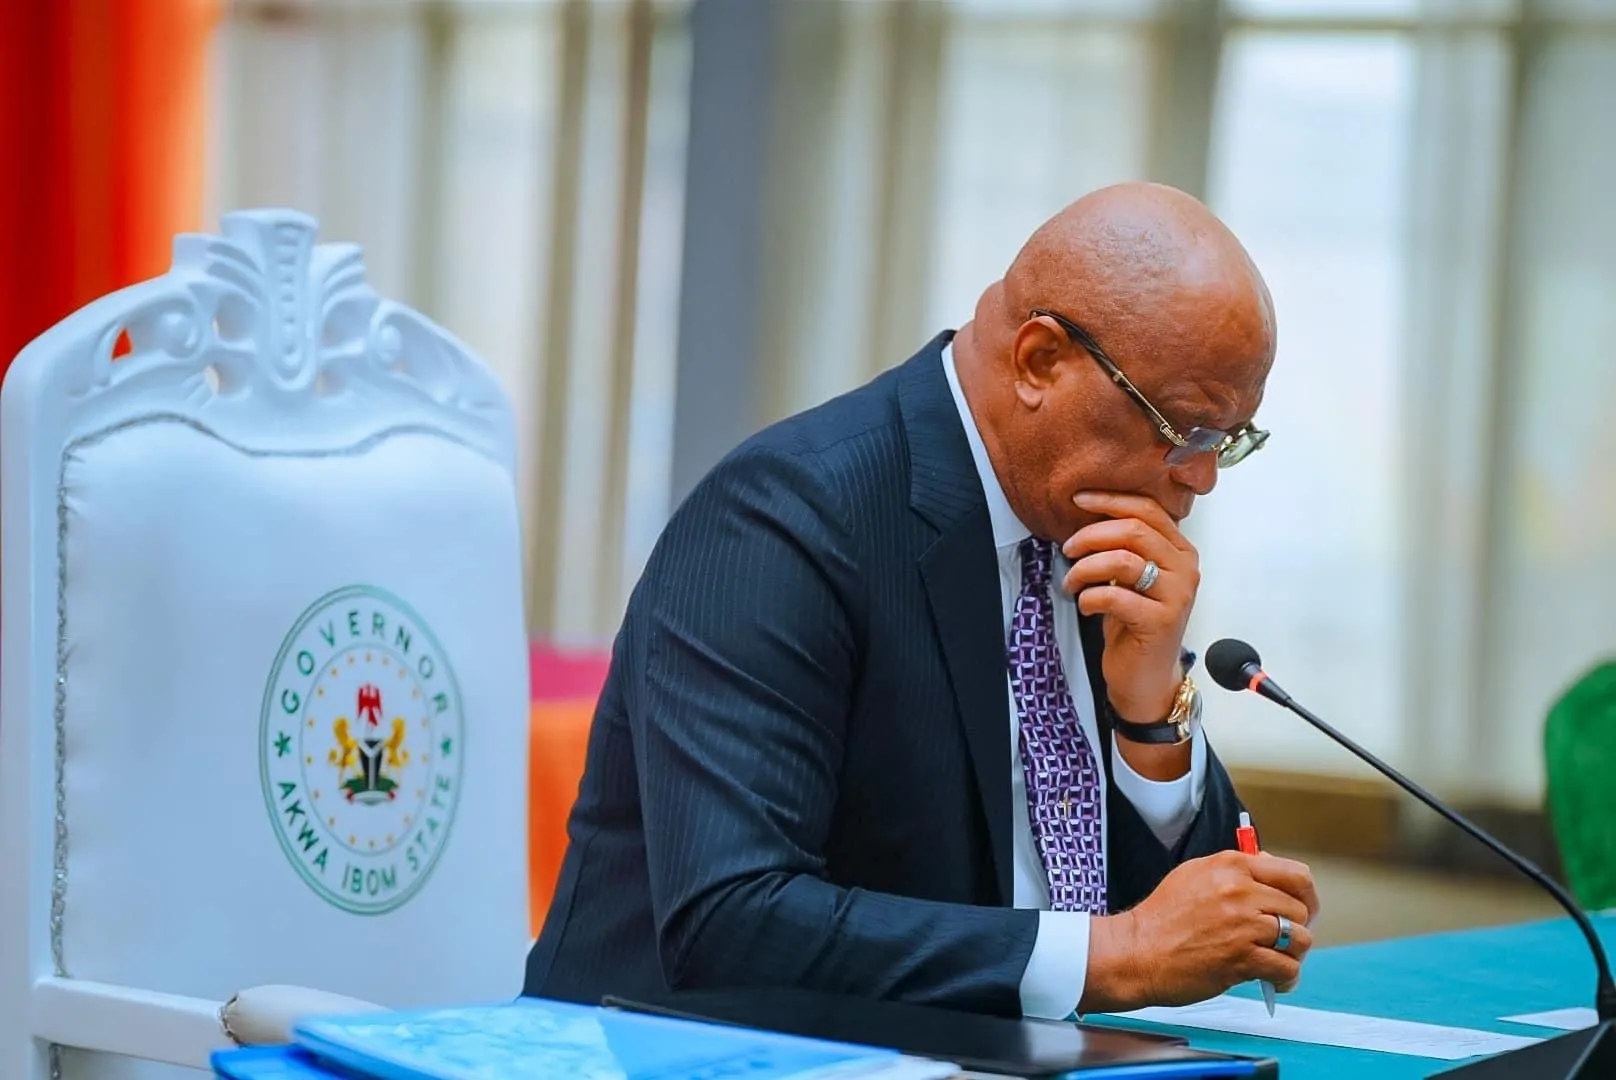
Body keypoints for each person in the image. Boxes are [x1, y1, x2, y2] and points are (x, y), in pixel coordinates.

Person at [524, 181, 1321, 1019]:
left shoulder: (1094, 530)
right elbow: (732, 922)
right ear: (1040, 360)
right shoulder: (785, 517)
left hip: (988, 1054)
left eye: (1230, 440)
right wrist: (1115, 954)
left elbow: (1186, 934)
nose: (1201, 477)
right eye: (1186, 429)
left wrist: (1152, 707)